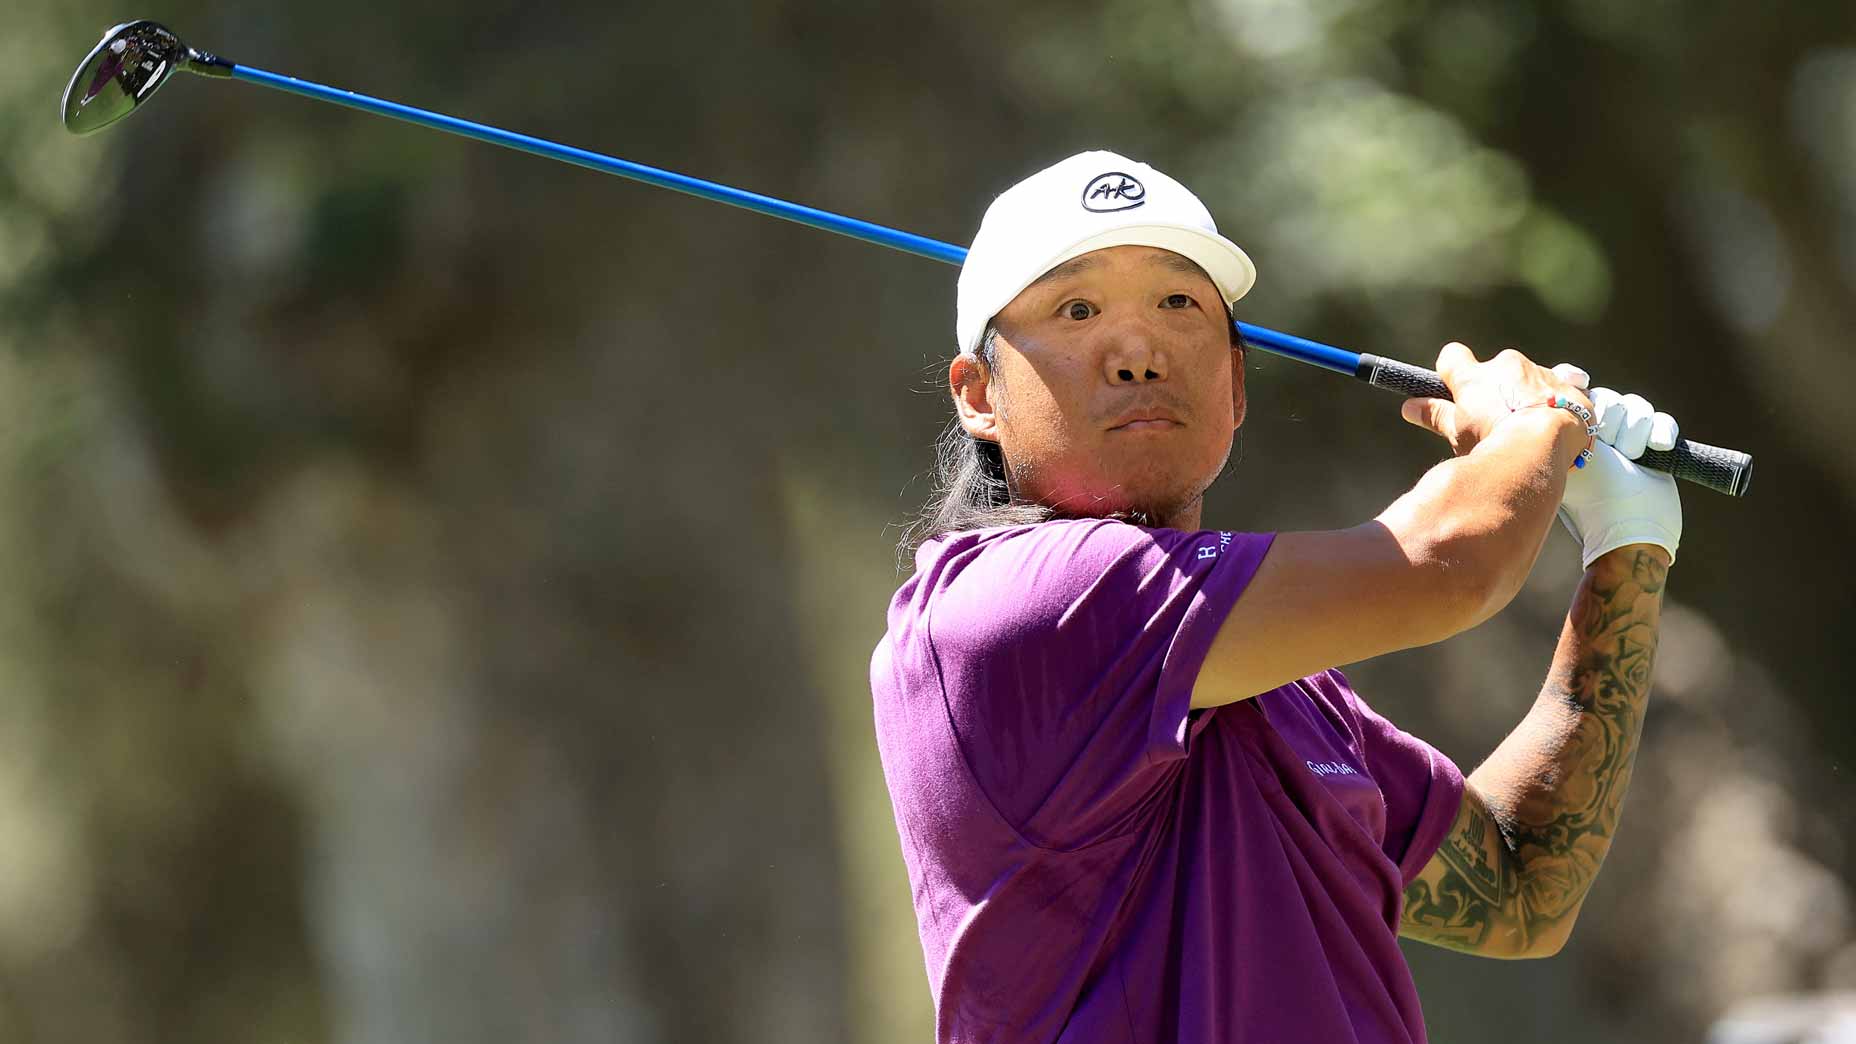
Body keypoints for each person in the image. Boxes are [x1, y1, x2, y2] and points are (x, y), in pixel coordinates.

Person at [869, 150, 1684, 1043]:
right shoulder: (1011, 606)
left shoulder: (1286, 688)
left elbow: (1523, 890)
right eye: (1078, 309)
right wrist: (1542, 422)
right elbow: (1448, 560)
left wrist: (1627, 549)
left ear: (1236, 382)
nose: (1138, 353)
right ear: (978, 396)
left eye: (1177, 303)